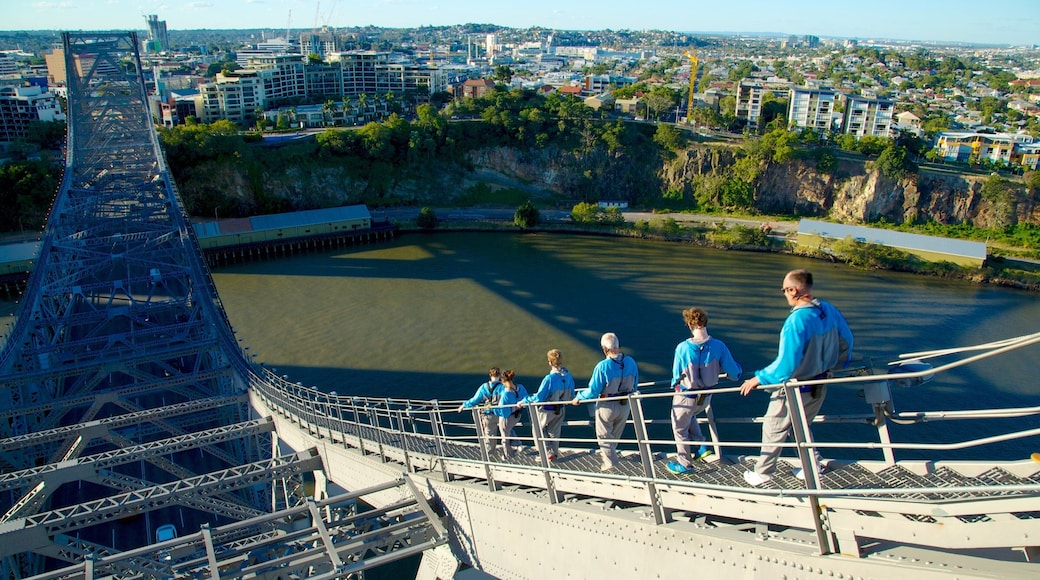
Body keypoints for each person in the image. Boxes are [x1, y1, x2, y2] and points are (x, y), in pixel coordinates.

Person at [739, 269, 853, 487]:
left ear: (793, 290)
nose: (784, 294)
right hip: (820, 383)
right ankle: (812, 465)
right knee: (800, 426)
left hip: (796, 386)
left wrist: (757, 379)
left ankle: (762, 473)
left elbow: (785, 366)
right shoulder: (828, 310)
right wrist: (836, 365)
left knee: (773, 426)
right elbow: (847, 340)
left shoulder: (796, 321)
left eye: (784, 290)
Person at [666, 307, 743, 475]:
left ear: (689, 324)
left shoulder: (682, 348)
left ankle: (685, 465)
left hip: (686, 396)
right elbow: (735, 373)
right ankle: (701, 445)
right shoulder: (719, 346)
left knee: (679, 429)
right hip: (706, 397)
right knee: (691, 415)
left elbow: (675, 377)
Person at [571, 333, 639, 471]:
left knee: (603, 436)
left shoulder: (602, 366)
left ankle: (611, 465)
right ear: (618, 346)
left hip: (607, 405)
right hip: (625, 405)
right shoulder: (630, 362)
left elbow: (593, 390)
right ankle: (610, 458)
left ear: (604, 349)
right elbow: (635, 384)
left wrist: (579, 397)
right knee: (614, 436)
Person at [517, 349, 575, 462]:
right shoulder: (568, 376)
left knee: (537, 430)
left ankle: (546, 454)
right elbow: (571, 394)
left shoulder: (549, 379)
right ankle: (554, 453)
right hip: (561, 409)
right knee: (554, 432)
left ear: (550, 362)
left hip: (547, 410)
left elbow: (539, 397)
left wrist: (523, 401)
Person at [457, 368, 503, 453]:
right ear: (499, 375)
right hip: (501, 413)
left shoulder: (484, 387)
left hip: (488, 414)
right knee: (505, 432)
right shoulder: (503, 386)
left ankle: (489, 452)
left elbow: (475, 400)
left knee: (489, 434)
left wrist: (464, 405)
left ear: (490, 375)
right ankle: (508, 451)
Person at [495, 370, 529, 459]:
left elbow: (503, 412)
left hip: (507, 417)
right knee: (509, 429)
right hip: (517, 416)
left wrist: (490, 409)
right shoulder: (521, 387)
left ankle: (508, 455)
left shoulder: (506, 394)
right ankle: (518, 445)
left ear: (502, 381)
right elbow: (527, 399)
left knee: (504, 436)